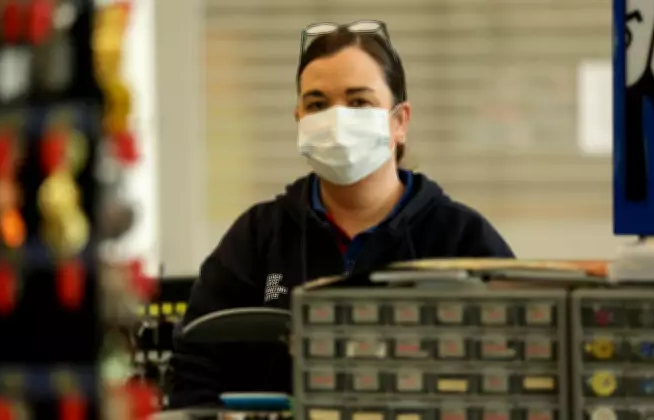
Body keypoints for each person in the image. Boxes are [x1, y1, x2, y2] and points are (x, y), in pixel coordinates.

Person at [168, 20, 513, 408]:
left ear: (400, 122)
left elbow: (518, 366)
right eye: (317, 104)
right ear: (299, 119)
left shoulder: (461, 239)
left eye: (358, 102)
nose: (336, 120)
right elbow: (194, 362)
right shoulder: (259, 238)